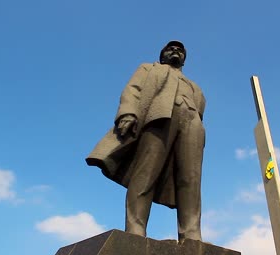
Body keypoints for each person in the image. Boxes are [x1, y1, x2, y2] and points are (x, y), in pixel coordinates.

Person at [86, 40, 206, 242]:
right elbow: (132, 90)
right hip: (160, 117)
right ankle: (135, 229)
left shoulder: (195, 87)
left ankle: (191, 234)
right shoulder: (148, 68)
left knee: (190, 179)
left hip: (192, 123)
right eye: (170, 49)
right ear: (162, 55)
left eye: (180, 50)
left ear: (184, 59)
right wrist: (127, 114)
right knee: (146, 173)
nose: (175, 51)